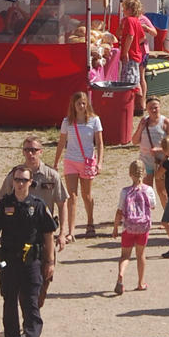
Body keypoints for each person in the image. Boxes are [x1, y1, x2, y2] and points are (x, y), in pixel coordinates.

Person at [0, 163, 57, 337]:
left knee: (31, 301)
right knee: (9, 300)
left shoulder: (38, 205)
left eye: (24, 180)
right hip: (8, 260)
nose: (19, 183)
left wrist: (49, 261)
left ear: (30, 182)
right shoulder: (4, 204)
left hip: (31, 261)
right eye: (17, 180)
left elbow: (48, 234)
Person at [0, 138, 68, 258]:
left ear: (41, 152)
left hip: (44, 233)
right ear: (23, 152)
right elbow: (2, 204)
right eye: (27, 150)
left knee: (46, 271)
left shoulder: (51, 176)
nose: (30, 153)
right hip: (17, 235)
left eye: (34, 150)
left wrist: (62, 233)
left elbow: (62, 203)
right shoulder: (14, 176)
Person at [55, 89, 103, 241]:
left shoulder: (94, 120)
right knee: (72, 196)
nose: (81, 106)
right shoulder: (67, 122)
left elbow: (100, 143)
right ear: (73, 105)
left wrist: (99, 162)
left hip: (87, 161)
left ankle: (90, 222)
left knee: (86, 195)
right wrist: (56, 162)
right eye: (78, 103)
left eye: (84, 103)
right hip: (71, 161)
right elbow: (62, 142)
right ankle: (71, 230)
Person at [113, 157, 157, 295]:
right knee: (140, 255)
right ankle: (140, 282)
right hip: (143, 227)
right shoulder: (148, 190)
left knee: (125, 255)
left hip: (128, 227)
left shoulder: (125, 192)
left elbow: (120, 211)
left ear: (130, 174)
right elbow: (153, 206)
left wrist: (115, 227)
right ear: (144, 174)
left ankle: (121, 275)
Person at [132, 94, 169, 203]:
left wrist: (159, 150)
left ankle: (168, 217)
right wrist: (141, 127)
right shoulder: (144, 121)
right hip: (146, 161)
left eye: (156, 107)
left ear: (160, 107)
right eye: (150, 108)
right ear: (146, 109)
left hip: (161, 162)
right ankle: (146, 217)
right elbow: (135, 141)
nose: (153, 110)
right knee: (146, 191)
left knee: (162, 191)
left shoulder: (165, 122)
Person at [118, 0, 155, 113]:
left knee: (128, 81)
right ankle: (139, 105)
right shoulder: (136, 21)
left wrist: (125, 51)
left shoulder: (129, 20)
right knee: (136, 79)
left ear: (129, 9)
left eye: (124, 8)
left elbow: (130, 35)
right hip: (137, 54)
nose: (123, 11)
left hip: (131, 55)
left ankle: (132, 106)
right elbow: (142, 37)